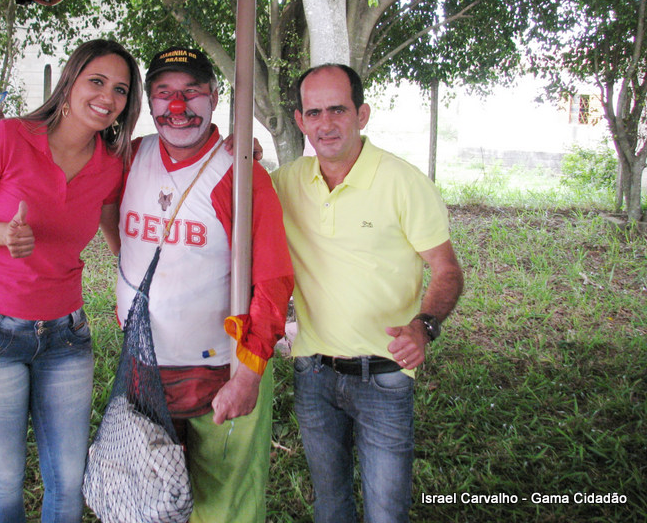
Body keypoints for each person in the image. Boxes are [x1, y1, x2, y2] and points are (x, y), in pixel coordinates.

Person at [0, 39, 142, 522]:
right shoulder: (9, 138)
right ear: (69, 83)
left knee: (68, 480)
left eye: (120, 90)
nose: (107, 97)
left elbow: (118, 235)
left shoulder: (111, 164)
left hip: (66, 338)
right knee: (5, 477)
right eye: (97, 81)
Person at [271, 64, 464, 523]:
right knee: (331, 505)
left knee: (385, 512)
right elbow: (231, 197)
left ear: (362, 113)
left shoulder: (403, 182)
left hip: (385, 377)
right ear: (300, 121)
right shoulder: (287, 183)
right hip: (313, 373)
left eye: (338, 109)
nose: (326, 123)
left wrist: (425, 325)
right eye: (314, 112)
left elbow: (447, 271)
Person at [108, 46, 294, 522]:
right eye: (165, 93)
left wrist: (249, 374)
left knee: (223, 508)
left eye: (191, 92)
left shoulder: (240, 173)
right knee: (152, 497)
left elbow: (272, 279)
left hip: (223, 373)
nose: (178, 107)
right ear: (149, 103)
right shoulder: (129, 158)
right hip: (144, 366)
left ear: (215, 98)